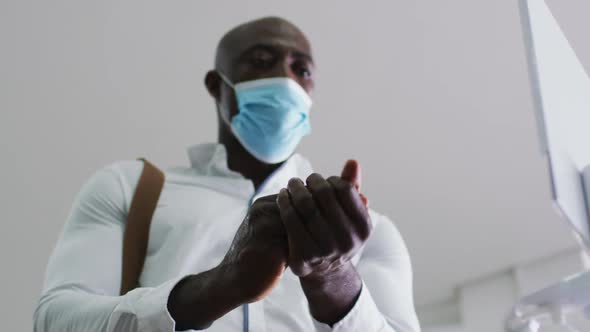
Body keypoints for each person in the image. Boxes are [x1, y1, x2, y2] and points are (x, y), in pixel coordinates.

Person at [33, 16, 421, 332]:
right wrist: (221, 285)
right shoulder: (129, 189)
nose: (285, 81)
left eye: (300, 69)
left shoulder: (368, 231)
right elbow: (54, 320)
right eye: (261, 60)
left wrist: (333, 277)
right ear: (217, 86)